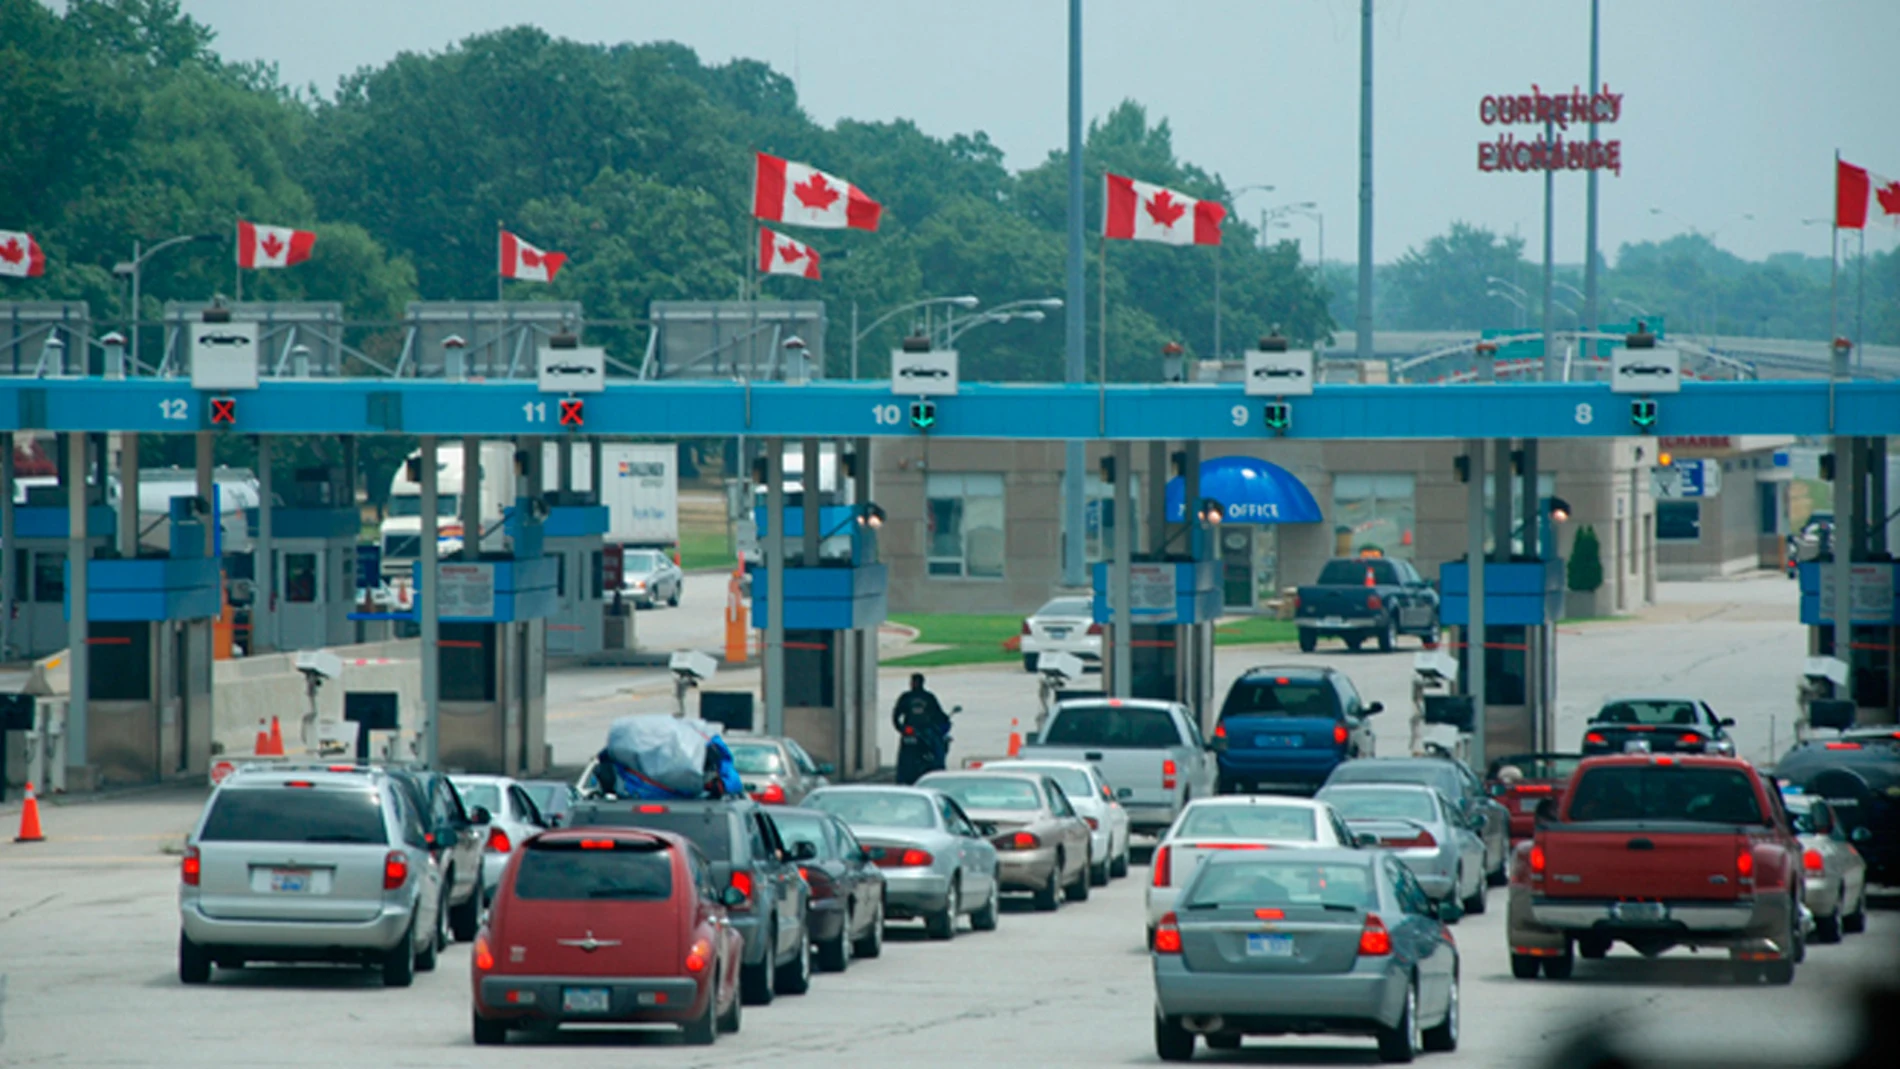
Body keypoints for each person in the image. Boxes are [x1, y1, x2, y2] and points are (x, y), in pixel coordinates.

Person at [894, 673, 952, 784]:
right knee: (937, 749)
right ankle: (939, 769)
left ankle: (903, 776)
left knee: (934, 745)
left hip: (918, 730)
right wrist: (902, 729)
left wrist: (901, 728)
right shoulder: (925, 697)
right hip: (919, 730)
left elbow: (896, 716)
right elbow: (896, 715)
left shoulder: (914, 697)